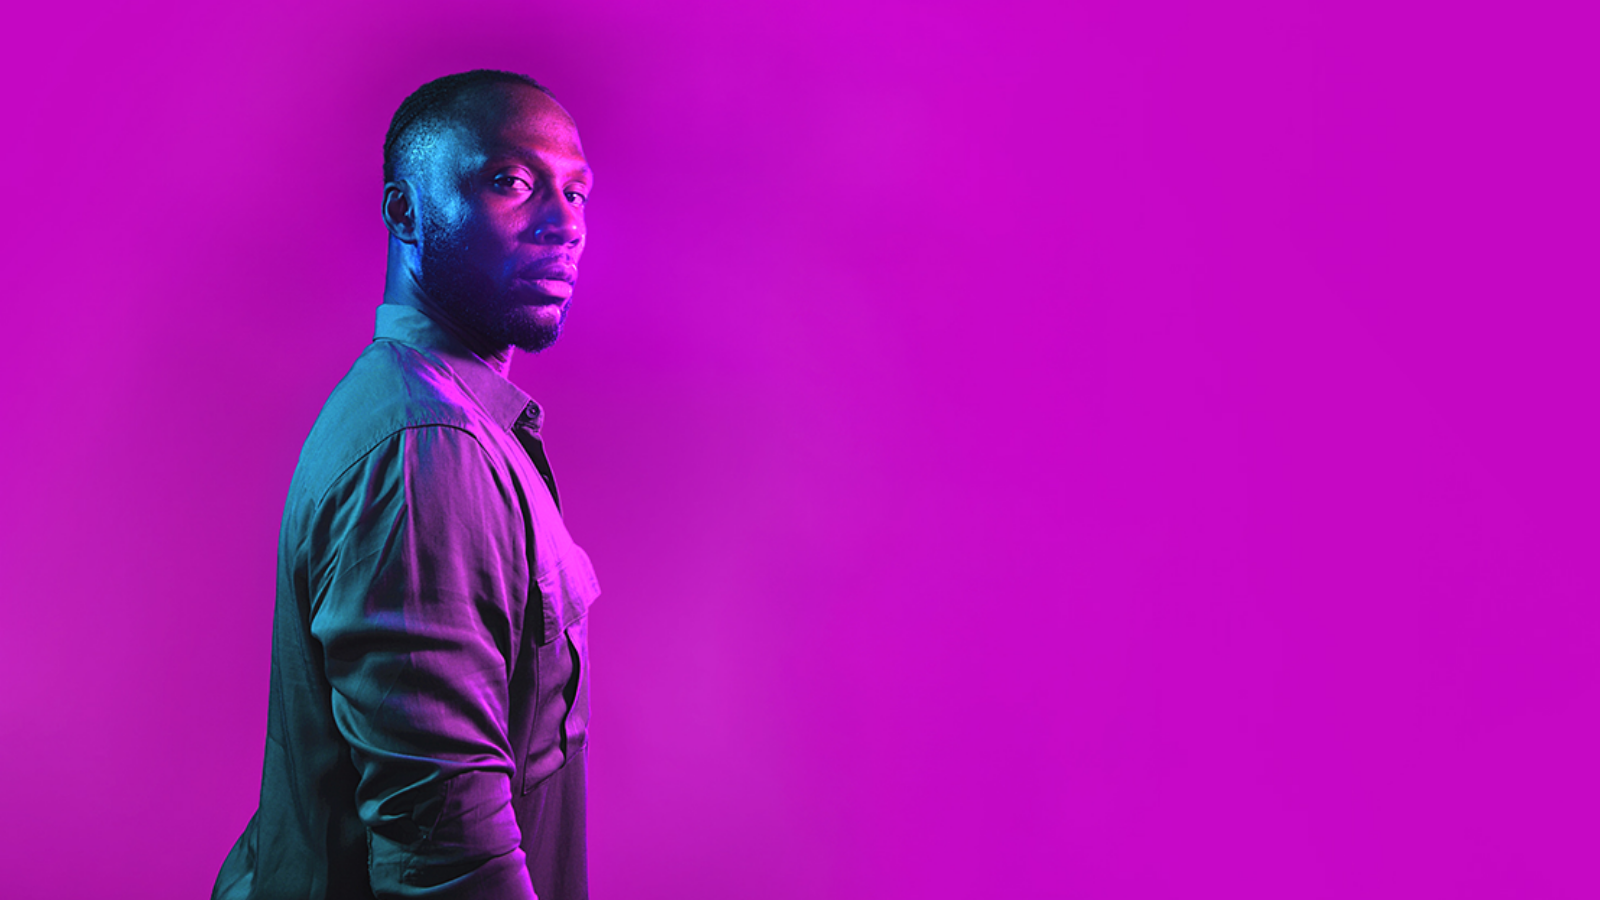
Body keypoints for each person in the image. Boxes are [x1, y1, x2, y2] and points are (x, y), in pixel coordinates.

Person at [213, 69, 600, 900]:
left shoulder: (453, 425)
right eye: (512, 182)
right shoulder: (425, 452)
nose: (564, 222)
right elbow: (447, 859)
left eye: (576, 193)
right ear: (404, 212)